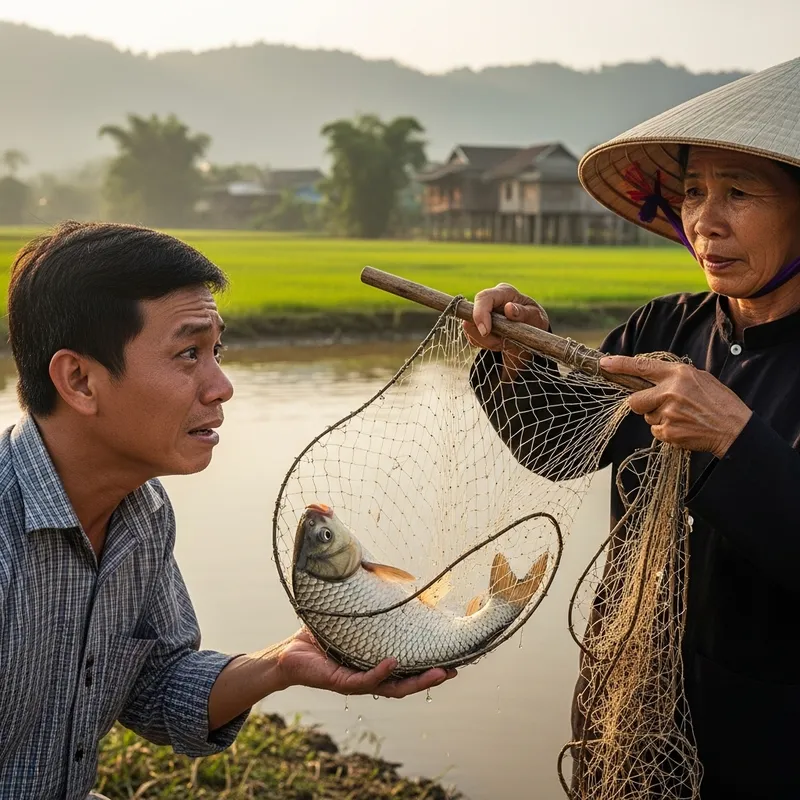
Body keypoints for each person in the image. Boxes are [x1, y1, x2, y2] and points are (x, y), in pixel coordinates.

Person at [0, 220, 456, 800]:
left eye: (218, 350)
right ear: (80, 380)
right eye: (188, 353)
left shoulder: (141, 513)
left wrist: (283, 664)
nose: (222, 386)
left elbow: (155, 684)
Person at [465, 56, 800, 799]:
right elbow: (557, 443)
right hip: (636, 704)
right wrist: (521, 357)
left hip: (775, 734)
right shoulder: (665, 327)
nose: (706, 221)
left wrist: (734, 439)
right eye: (692, 192)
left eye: (739, 193)